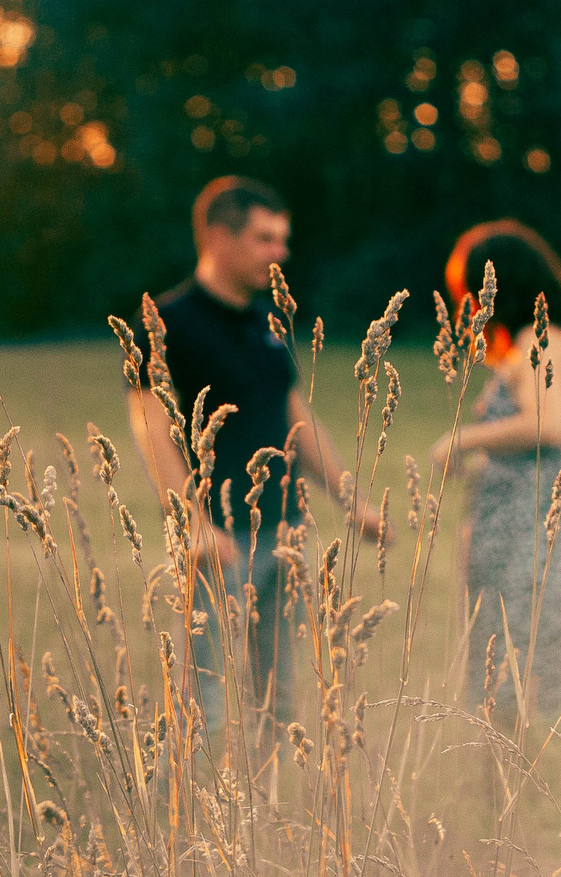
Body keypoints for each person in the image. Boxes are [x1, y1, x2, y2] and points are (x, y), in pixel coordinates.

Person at [125, 176, 384, 740]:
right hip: (218, 543)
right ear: (220, 237)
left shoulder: (268, 321)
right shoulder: (166, 321)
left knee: (278, 697)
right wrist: (193, 522)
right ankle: (194, 823)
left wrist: (350, 499)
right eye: (266, 239)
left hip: (285, 530)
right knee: (203, 696)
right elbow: (149, 425)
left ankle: (269, 820)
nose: (280, 253)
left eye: (282, 240)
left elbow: (296, 415)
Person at [429, 220, 561, 731]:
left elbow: (548, 424)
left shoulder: (539, 340)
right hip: (545, 512)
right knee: (542, 640)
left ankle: (521, 767)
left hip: (519, 523)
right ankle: (551, 756)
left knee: (512, 647)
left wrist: (465, 440)